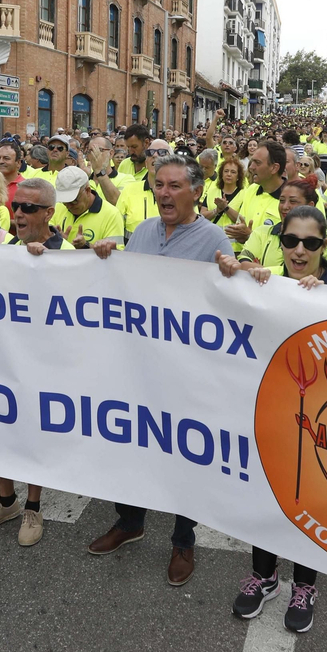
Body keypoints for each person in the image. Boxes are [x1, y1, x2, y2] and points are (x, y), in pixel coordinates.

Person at [86, 154, 232, 586]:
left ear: (196, 191)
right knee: (133, 445)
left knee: (183, 452)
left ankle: (183, 540)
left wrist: (237, 271)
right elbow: (129, 287)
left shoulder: (213, 238)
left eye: (174, 186)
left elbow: (230, 299)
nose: (164, 193)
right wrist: (110, 255)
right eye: (159, 185)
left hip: (186, 371)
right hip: (139, 365)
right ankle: (130, 522)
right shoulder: (145, 230)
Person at [219, 205, 327, 629]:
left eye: (311, 243)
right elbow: (221, 297)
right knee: (265, 495)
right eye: (291, 241)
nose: (299, 250)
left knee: (312, 502)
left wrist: (326, 300)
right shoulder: (266, 278)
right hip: (268, 413)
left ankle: (305, 583)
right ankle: (264, 575)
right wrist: (236, 267)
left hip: (321, 420)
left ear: (324, 246)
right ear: (280, 243)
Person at [0, 178, 74, 546]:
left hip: (43, 362)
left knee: (33, 433)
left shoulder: (69, 253)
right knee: (0, 427)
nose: (19, 213)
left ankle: (34, 506)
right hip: (0, 358)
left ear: (49, 214)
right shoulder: (1, 245)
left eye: (28, 208)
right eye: (15, 206)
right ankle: (6, 501)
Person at [238, 179, 317, 272]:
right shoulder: (262, 232)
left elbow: (314, 275)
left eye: (293, 201)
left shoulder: (316, 242)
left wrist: (261, 270)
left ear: (310, 205)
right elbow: (242, 263)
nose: (284, 206)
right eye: (282, 200)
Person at [54, 165, 125, 248]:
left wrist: (86, 246)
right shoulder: (57, 208)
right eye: (64, 201)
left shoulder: (111, 214)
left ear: (88, 191)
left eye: (74, 201)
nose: (68, 206)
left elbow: (116, 255)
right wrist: (56, 242)